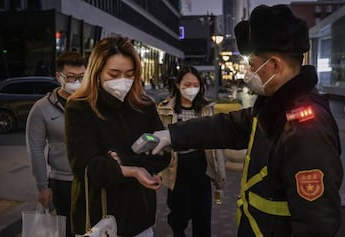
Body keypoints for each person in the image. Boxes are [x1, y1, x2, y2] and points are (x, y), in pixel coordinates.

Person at [145, 5, 344, 237]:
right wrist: (171, 135)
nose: (247, 74)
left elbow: (317, 224)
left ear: (275, 65)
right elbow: (227, 126)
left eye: (252, 65)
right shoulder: (275, 109)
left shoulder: (305, 128)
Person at [64, 35, 171, 237]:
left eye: (129, 74)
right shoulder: (79, 107)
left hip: (140, 217)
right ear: (97, 72)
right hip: (98, 220)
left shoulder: (144, 106)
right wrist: (133, 169)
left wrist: (120, 162)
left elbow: (163, 154)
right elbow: (84, 166)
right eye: (114, 74)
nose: (123, 81)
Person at [157, 65, 226, 237]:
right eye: (187, 84)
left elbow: (215, 144)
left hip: (201, 166)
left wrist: (219, 175)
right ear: (178, 85)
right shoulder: (166, 109)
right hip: (177, 167)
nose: (191, 88)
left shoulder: (205, 108)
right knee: (179, 213)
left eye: (195, 84)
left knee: (202, 213)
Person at [26, 51, 86, 237]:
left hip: (92, 179)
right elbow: (35, 148)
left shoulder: (91, 103)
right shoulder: (42, 108)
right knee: (67, 230)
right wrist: (43, 187)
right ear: (59, 77)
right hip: (62, 183)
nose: (77, 82)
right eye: (71, 77)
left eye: (82, 77)